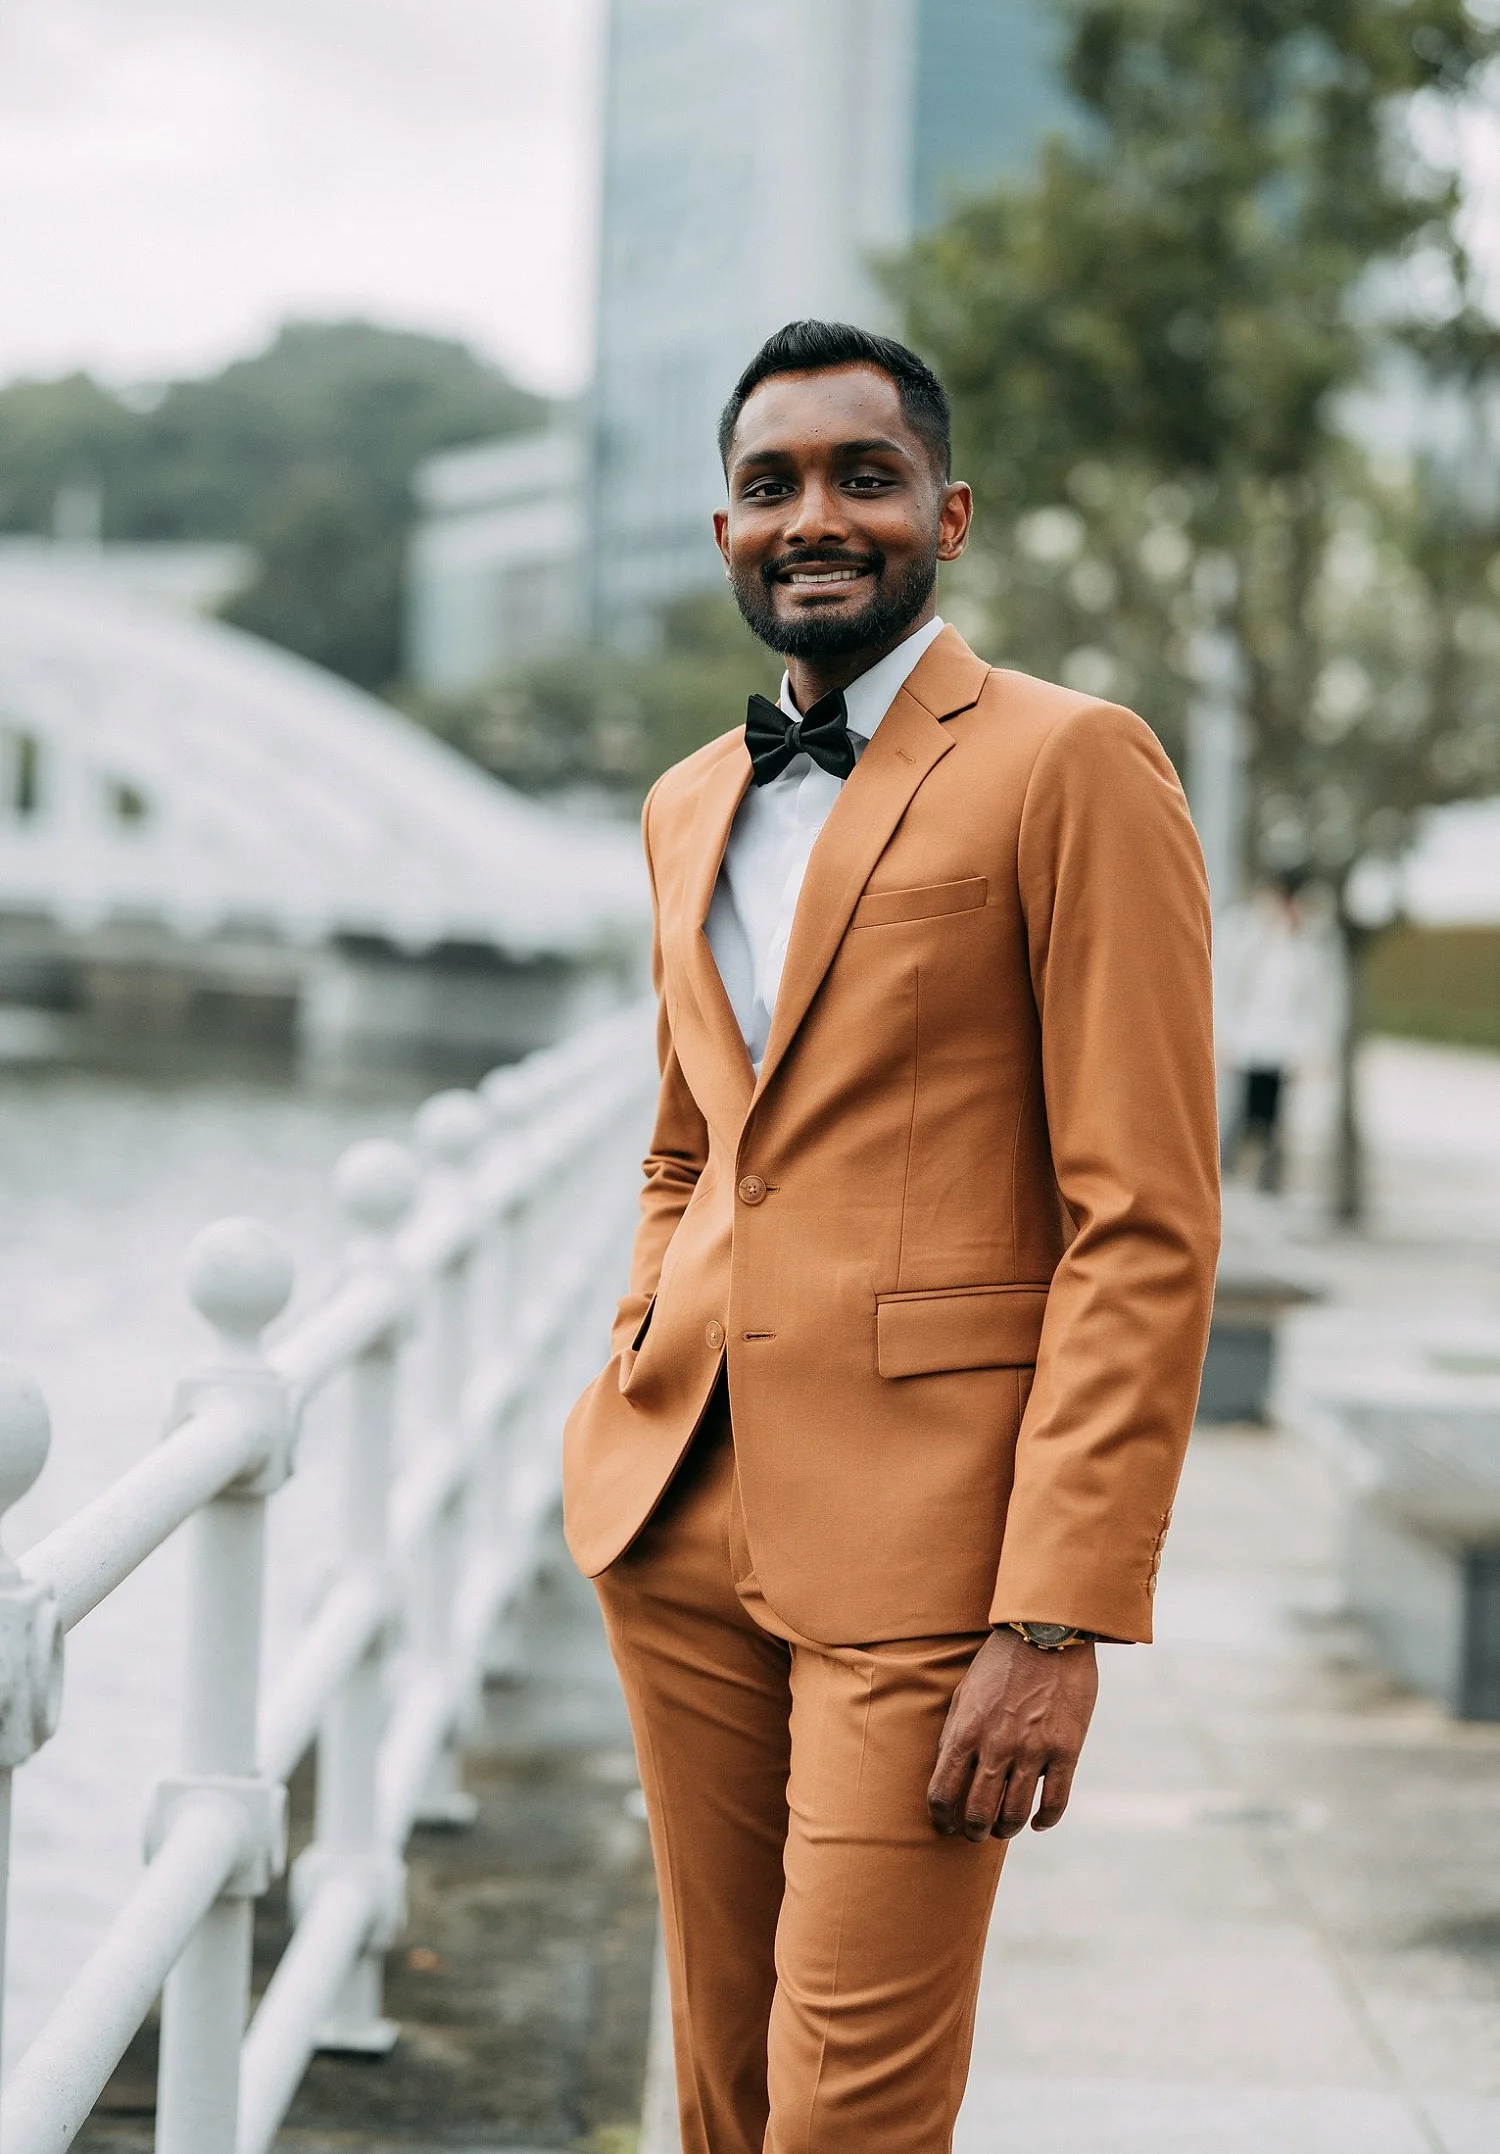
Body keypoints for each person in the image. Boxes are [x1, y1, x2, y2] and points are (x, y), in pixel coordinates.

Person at [564, 321, 1220, 2154]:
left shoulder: (1074, 763)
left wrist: (1057, 1605)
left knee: (848, 2102)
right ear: (723, 531)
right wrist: (639, 1335)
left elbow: (1145, 1214)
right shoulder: (688, 800)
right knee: (720, 2074)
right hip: (678, 1508)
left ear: (948, 510)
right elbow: (691, 1142)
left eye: (861, 475)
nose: (815, 515)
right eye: (773, 483)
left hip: (935, 1560)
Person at [1216, 871, 1330, 1194]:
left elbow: (1311, 1004)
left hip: (1281, 1048)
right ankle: (1230, 1171)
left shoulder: (1306, 949)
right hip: (1247, 1043)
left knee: (1273, 1119)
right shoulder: (1248, 937)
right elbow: (1230, 986)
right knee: (1240, 1111)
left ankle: (1268, 1178)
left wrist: (1311, 1049)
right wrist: (1225, 1034)